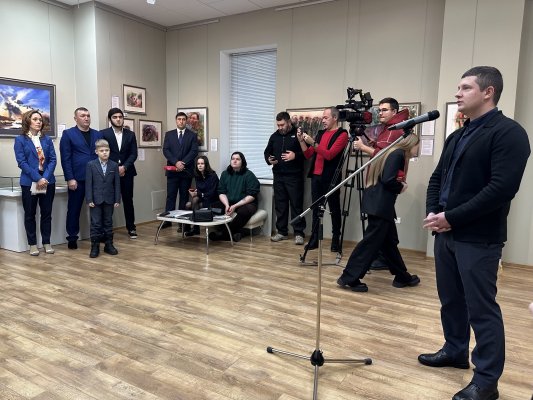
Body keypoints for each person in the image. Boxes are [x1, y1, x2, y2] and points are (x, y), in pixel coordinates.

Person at [419, 66, 530, 400]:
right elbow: (437, 178)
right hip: (446, 233)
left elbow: (501, 189)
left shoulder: (509, 133)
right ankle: (455, 350)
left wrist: (452, 217)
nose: (457, 93)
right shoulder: (458, 135)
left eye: (465, 87)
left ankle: (486, 381)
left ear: (488, 92)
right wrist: (433, 211)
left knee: (482, 309)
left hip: (479, 237)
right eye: (458, 87)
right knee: (451, 300)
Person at [336, 133, 421, 292]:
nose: (418, 149)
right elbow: (388, 179)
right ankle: (349, 277)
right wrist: (401, 187)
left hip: (379, 204)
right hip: (380, 205)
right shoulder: (398, 154)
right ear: (412, 144)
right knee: (370, 244)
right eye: (418, 145)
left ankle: (402, 276)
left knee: (389, 243)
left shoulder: (393, 152)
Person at [354, 98, 410, 271]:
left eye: (385, 110)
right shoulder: (390, 128)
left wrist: (363, 147)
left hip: (382, 187)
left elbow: (384, 158)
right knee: (387, 236)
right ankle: (401, 275)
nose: (381, 113)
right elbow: (383, 152)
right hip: (380, 186)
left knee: (373, 235)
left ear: (394, 111)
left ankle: (350, 274)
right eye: (379, 110)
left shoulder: (395, 130)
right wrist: (375, 144)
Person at [297, 107, 348, 252]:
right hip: (316, 176)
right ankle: (314, 240)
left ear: (335, 118)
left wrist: (313, 143)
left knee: (334, 209)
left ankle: (335, 239)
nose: (323, 120)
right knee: (316, 210)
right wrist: (302, 141)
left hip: (331, 178)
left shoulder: (342, 134)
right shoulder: (320, 133)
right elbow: (308, 154)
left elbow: (330, 155)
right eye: (322, 118)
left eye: (326, 117)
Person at [14, 110, 57, 256]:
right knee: (30, 214)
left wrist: (44, 178)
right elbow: (22, 162)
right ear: (27, 121)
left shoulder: (47, 139)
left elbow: (53, 160)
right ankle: (32, 244)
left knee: (46, 214)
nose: (39, 122)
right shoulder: (20, 140)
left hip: (48, 181)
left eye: (40, 119)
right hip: (29, 182)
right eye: (35, 119)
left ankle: (46, 242)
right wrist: (37, 178)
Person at [59, 107, 102, 249]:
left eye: (88, 115)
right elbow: (65, 158)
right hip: (77, 179)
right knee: (74, 209)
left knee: (98, 208)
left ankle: (98, 234)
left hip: (96, 178)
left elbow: (103, 155)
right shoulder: (68, 134)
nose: (86, 118)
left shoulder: (98, 134)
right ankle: (72, 237)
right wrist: (70, 178)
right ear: (75, 118)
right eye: (82, 115)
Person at [264, 111, 306, 245]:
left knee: (296, 205)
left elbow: (307, 153)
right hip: (278, 176)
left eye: (282, 125)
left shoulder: (298, 134)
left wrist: (295, 156)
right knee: (280, 205)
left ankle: (299, 233)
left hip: (294, 176)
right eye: (278, 125)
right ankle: (282, 232)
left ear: (288, 122)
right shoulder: (274, 136)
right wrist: (269, 159)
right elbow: (267, 152)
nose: (280, 127)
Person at [101, 108, 139, 239]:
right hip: (109, 172)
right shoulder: (103, 133)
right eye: (115, 117)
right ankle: (106, 230)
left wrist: (124, 167)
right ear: (110, 119)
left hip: (127, 172)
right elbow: (103, 153)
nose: (118, 119)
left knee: (128, 200)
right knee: (108, 201)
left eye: (120, 117)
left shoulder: (130, 134)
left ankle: (131, 228)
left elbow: (133, 154)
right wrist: (115, 168)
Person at [210, 151, 260, 242]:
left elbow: (252, 195)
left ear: (242, 162)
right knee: (214, 207)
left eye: (237, 159)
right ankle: (237, 233)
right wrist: (226, 205)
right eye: (233, 159)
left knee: (244, 212)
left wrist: (235, 206)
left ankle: (223, 235)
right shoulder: (225, 174)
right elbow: (221, 192)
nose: (235, 161)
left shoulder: (249, 175)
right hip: (229, 202)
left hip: (246, 203)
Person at [161, 112, 199, 229]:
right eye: (179, 119)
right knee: (170, 196)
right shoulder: (169, 134)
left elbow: (194, 151)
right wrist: (176, 162)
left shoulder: (192, 135)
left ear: (186, 121)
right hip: (172, 171)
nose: (181, 121)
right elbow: (166, 150)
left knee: (184, 197)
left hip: (186, 171)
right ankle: (168, 220)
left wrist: (183, 163)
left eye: (183, 119)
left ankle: (182, 223)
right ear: (176, 120)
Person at [85, 139, 121, 258]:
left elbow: (117, 184)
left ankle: (109, 245)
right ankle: (94, 247)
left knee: (108, 222)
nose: (104, 152)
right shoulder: (91, 165)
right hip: (95, 200)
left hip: (109, 199)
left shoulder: (114, 165)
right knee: (95, 223)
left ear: (110, 151)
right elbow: (88, 184)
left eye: (107, 150)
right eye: (101, 151)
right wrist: (89, 199)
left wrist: (117, 199)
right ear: (96, 152)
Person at [185, 155, 219, 237]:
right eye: (198, 164)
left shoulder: (213, 176)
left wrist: (198, 194)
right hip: (203, 198)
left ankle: (195, 229)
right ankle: (189, 228)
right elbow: (200, 190)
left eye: (202, 164)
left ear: (206, 165)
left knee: (194, 201)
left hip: (212, 200)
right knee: (188, 204)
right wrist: (195, 192)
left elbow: (212, 193)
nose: (200, 165)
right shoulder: (198, 176)